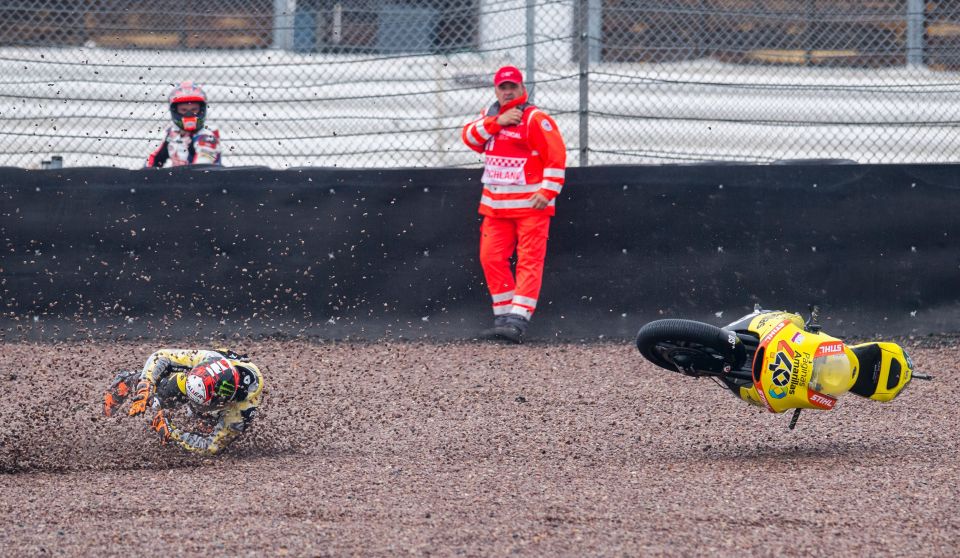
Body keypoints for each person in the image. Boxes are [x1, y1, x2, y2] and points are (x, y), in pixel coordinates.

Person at [461, 65, 567, 343]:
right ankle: (504, 317)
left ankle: (518, 320)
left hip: (531, 207)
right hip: (495, 208)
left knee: (529, 261)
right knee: (491, 258)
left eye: (512, 87)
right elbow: (470, 138)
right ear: (496, 90)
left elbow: (556, 157)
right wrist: (498, 122)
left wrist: (547, 192)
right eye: (502, 87)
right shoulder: (490, 115)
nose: (508, 92)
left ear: (522, 89)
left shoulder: (535, 118)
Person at [103, 348, 263, 455]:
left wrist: (172, 433)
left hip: (220, 407)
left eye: (199, 404)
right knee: (172, 385)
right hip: (202, 382)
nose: (192, 405)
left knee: (203, 433)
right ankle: (132, 379)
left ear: (222, 402)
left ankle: (192, 418)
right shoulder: (208, 358)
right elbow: (162, 356)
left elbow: (211, 446)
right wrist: (146, 385)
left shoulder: (240, 414)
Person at [146, 81, 222, 167]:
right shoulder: (172, 133)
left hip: (204, 179)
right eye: (184, 110)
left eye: (193, 110)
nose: (189, 114)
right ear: (175, 111)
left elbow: (202, 167)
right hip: (178, 178)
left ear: (201, 110)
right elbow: (154, 159)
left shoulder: (207, 137)